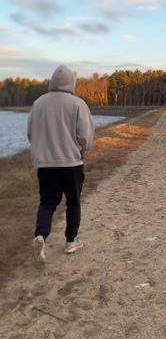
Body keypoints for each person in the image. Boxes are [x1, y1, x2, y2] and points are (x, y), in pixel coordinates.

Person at [27, 65, 95, 267]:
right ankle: (71, 241)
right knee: (73, 202)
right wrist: (84, 147)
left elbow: (31, 133)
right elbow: (85, 136)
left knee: (47, 203)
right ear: (71, 83)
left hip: (46, 164)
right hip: (71, 163)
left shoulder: (38, 103)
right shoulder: (77, 104)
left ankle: (40, 237)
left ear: (52, 81)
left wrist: (43, 150)